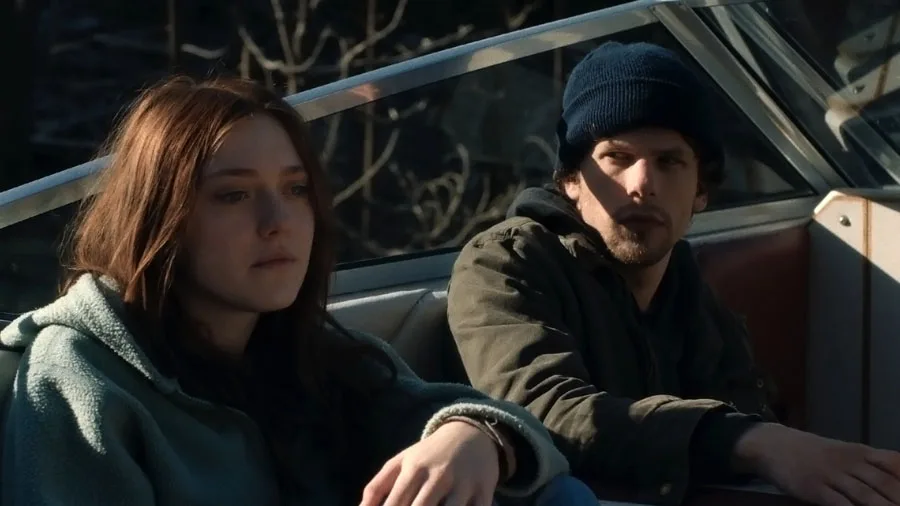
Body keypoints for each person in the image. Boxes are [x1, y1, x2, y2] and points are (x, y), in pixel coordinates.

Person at [0, 76, 597, 506]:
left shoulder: (307, 352)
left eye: (295, 190)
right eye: (234, 195)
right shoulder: (79, 377)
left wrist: (478, 437)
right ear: (162, 219)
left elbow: (487, 424)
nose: (277, 221)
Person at [447, 41, 900, 506]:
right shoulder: (506, 263)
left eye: (669, 161)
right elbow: (539, 414)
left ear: (700, 191)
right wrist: (754, 441)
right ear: (571, 180)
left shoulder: (688, 289)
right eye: (617, 157)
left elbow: (746, 408)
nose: (642, 184)